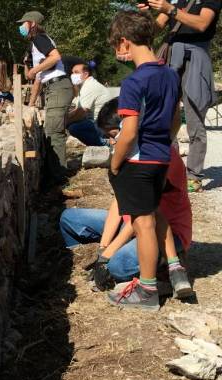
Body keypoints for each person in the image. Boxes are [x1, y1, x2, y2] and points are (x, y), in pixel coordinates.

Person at [62, 101, 193, 299]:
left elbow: (144, 217)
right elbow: (119, 203)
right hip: (131, 224)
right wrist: (103, 249)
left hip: (162, 232)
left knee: (117, 266)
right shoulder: (128, 154)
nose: (113, 143)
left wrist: (108, 257)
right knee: (69, 218)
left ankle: (165, 263)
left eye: (114, 136)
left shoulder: (160, 158)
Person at [104, 11, 182, 310]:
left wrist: (114, 162)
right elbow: (175, 119)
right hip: (161, 156)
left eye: (115, 47)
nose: (116, 53)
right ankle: (172, 271)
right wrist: (165, 144)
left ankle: (147, 289)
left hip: (138, 161)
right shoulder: (170, 74)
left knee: (143, 223)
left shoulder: (134, 82)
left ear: (125, 42)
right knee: (153, 212)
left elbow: (128, 132)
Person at [139, 0, 220, 193]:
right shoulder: (179, 1)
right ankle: (166, 169)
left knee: (195, 118)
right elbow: (154, 29)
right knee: (164, 115)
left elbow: (202, 23)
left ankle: (194, 175)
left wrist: (171, 9)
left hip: (196, 57)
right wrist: (145, 14)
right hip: (171, 57)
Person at [18, 11, 74, 181]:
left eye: (24, 23)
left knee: (53, 131)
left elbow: (55, 56)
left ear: (32, 24)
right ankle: (56, 173)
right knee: (51, 130)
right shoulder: (36, 44)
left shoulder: (39, 38)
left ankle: (59, 177)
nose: (21, 27)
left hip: (58, 86)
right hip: (53, 87)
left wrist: (34, 70)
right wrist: (32, 102)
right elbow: (39, 79)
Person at [66, 61, 112, 146]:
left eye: (76, 72)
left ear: (86, 74)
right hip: (99, 121)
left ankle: (104, 143)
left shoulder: (89, 86)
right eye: (72, 73)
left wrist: (65, 122)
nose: (72, 75)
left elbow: (82, 112)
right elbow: (77, 109)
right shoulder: (85, 85)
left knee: (74, 128)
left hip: (102, 124)